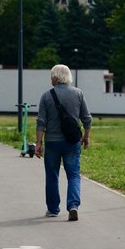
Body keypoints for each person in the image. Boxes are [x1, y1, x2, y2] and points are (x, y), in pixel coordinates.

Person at [35, 64, 91, 221]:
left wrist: (39, 143)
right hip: (72, 142)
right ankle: (73, 206)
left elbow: (41, 121)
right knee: (73, 175)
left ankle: (53, 209)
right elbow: (87, 119)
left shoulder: (46, 96)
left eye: (51, 75)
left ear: (55, 77)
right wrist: (86, 136)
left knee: (52, 175)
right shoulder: (78, 93)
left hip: (52, 142)